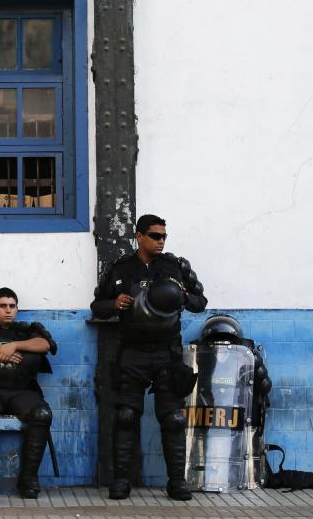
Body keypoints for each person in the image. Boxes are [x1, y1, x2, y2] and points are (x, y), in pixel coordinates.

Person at [90, 214, 207, 501]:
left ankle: (177, 482)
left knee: (174, 419)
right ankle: (120, 482)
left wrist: (182, 295)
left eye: (164, 236)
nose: (161, 241)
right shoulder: (121, 269)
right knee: (126, 416)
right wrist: (114, 303)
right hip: (132, 352)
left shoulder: (175, 267)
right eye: (155, 236)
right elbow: (97, 305)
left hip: (167, 353)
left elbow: (200, 303)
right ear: (139, 236)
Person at [0, 287, 57, 499]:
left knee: (42, 414)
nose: (8, 310)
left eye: (12, 306)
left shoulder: (26, 331)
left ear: (17, 309)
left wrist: (14, 345)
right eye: (2, 306)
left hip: (21, 391)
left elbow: (45, 345)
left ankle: (28, 480)